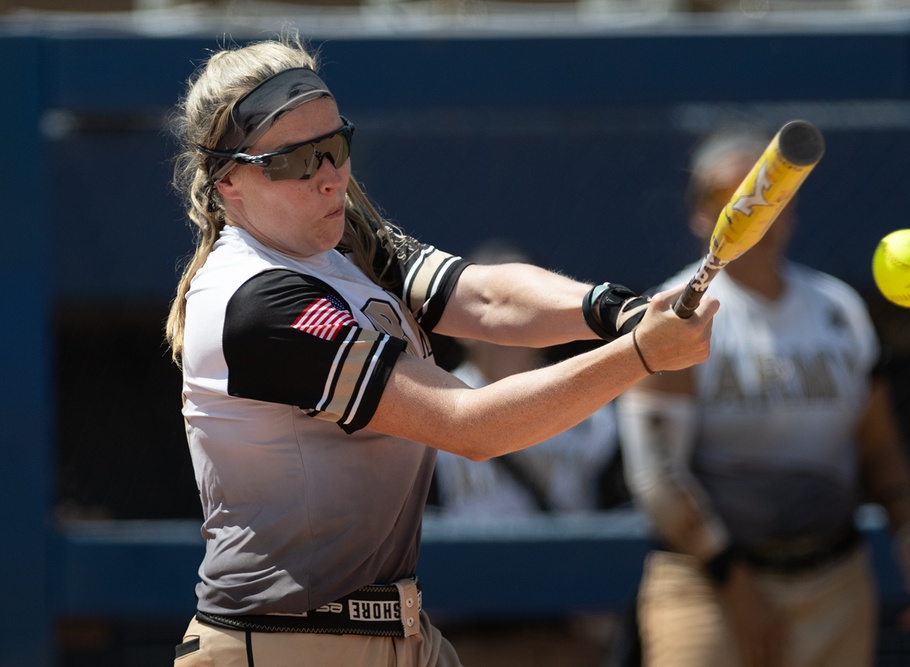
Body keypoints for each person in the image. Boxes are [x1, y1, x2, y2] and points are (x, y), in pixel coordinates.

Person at [163, 31, 717, 667]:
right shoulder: (257, 301)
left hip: (397, 634)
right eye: (296, 160)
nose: (330, 177)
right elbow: (470, 426)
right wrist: (640, 355)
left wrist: (616, 311)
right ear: (229, 180)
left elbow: (480, 297)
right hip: (285, 644)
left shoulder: (343, 241)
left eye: (335, 146)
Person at [616, 126, 910, 667]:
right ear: (703, 216)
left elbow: (879, 446)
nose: (759, 208)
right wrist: (737, 587)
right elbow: (657, 478)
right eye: (734, 197)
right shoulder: (672, 318)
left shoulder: (840, 310)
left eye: (774, 192)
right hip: (708, 588)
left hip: (835, 586)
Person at [432, 239, 624, 516]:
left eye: (524, 308)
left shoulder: (595, 413)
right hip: (467, 558)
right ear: (457, 326)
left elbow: (616, 517)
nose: (508, 323)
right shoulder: (428, 405)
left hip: (568, 559)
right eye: (489, 308)